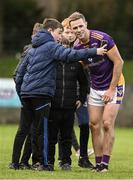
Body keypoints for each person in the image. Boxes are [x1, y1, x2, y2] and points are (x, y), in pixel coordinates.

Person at [14, 17, 107, 171]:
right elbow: (71, 55)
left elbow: (19, 74)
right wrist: (95, 51)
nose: (61, 36)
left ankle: (21, 162)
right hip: (45, 97)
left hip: (34, 96)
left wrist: (21, 94)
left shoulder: (33, 48)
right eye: (59, 32)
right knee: (43, 131)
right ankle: (45, 163)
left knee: (31, 130)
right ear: (51, 31)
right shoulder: (51, 47)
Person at [69, 12, 125, 172]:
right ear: (72, 30)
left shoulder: (102, 38)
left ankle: (105, 164)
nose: (78, 29)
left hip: (114, 85)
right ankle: (98, 164)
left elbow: (119, 62)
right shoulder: (77, 47)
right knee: (94, 125)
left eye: (80, 26)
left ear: (86, 24)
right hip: (96, 87)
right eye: (75, 28)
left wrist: (111, 89)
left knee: (107, 123)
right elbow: (83, 67)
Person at [48, 18, 93, 171]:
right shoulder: (53, 58)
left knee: (74, 130)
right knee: (55, 133)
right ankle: (53, 161)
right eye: (65, 32)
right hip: (56, 102)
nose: (69, 35)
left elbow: (85, 81)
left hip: (73, 101)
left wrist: (81, 98)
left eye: (70, 32)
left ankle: (73, 160)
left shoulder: (78, 59)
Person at [9, 23, 43, 170]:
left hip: (31, 94)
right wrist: (22, 95)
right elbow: (17, 74)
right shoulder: (30, 50)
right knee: (26, 130)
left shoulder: (36, 49)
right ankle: (17, 162)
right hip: (30, 95)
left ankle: (22, 161)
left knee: (30, 130)